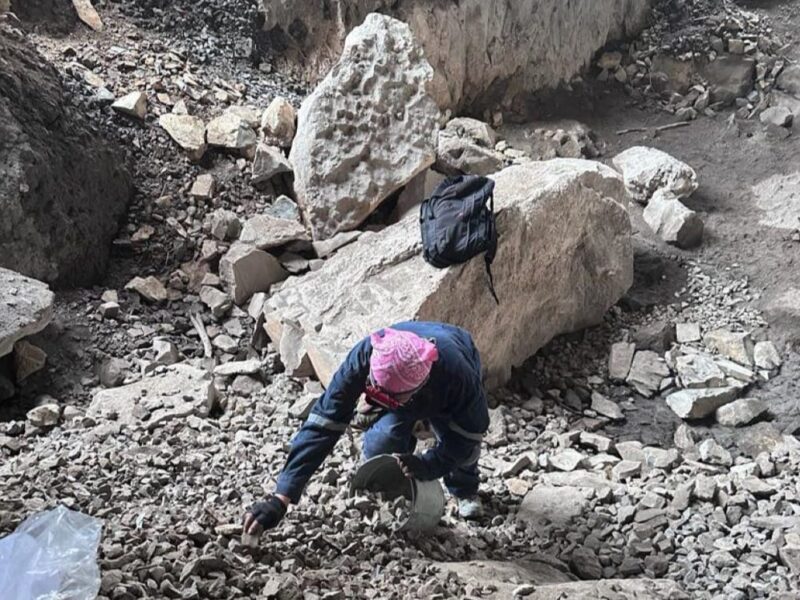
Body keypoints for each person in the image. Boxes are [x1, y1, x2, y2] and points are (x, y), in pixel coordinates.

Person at [243, 321, 490, 535]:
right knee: (382, 441)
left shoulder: (459, 377)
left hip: (451, 360)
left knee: (463, 450)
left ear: (418, 387)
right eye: (375, 391)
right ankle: (395, 489)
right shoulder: (365, 356)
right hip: (405, 384)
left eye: (391, 399)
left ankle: (464, 489)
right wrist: (281, 496)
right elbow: (324, 423)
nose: (383, 399)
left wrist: (429, 465)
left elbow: (468, 436)